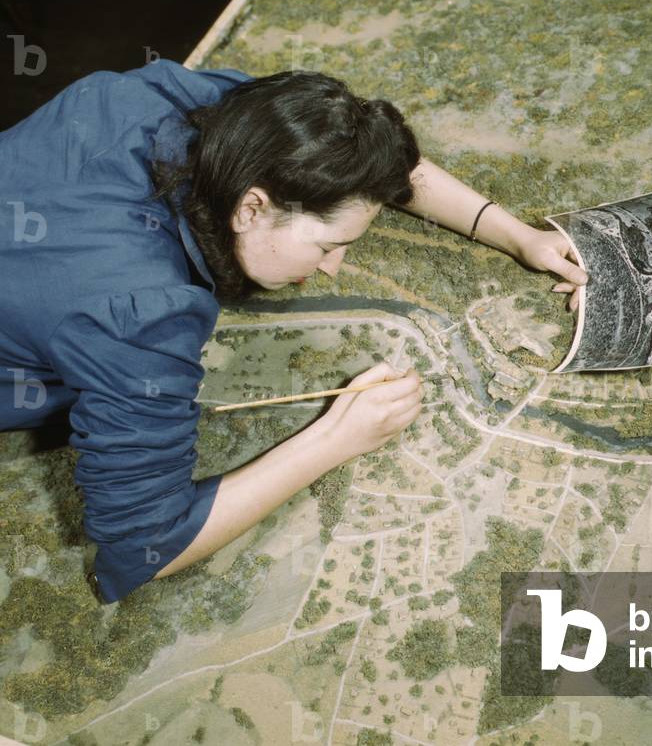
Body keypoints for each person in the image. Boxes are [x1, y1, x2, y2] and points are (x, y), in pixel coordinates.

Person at [0, 58, 587, 604]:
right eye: (330, 246)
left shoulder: (183, 103)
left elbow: (369, 164)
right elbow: (145, 549)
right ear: (251, 209)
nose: (332, 270)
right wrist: (337, 437)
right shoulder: (141, 320)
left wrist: (517, 236)